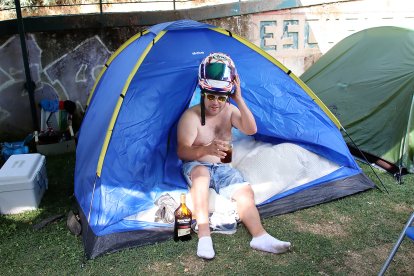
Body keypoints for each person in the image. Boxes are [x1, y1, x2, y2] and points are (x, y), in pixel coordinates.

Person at [177, 52, 291, 260]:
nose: (216, 103)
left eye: (221, 97)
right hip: (196, 164)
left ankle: (260, 236)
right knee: (201, 175)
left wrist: (239, 98)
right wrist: (205, 149)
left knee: (245, 192)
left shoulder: (229, 110)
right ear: (202, 92)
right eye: (211, 96)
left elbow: (250, 129)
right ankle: (204, 236)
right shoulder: (191, 117)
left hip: (222, 168)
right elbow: (182, 151)